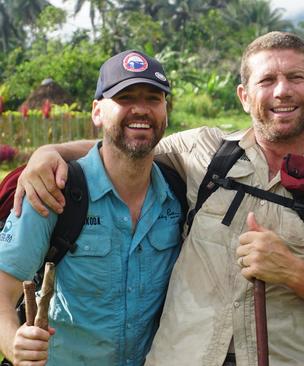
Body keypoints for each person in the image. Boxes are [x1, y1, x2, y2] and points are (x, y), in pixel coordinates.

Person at [13, 32, 304, 366]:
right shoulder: (204, 151)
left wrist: (295, 272)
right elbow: (127, 143)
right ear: (244, 96)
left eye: (295, 77)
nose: (282, 90)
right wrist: (50, 151)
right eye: (267, 80)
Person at [0, 50, 183, 365]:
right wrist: (13, 343)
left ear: (166, 110)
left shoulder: (179, 189)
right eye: (125, 97)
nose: (141, 109)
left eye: (154, 98)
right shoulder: (55, 189)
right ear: (97, 112)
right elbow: (3, 289)